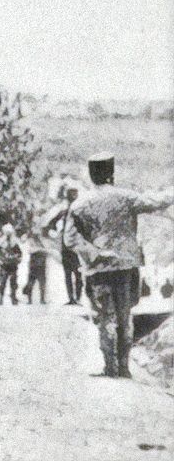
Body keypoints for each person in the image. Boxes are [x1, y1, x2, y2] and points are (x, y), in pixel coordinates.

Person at [64, 152, 174, 378]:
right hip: (126, 267)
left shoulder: (80, 204)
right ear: (111, 173)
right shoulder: (126, 197)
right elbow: (156, 202)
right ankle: (124, 367)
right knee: (125, 316)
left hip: (98, 269)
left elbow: (70, 239)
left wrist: (95, 253)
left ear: (92, 174)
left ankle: (109, 367)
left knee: (105, 317)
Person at [41, 180, 84, 305]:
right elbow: (50, 225)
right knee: (69, 273)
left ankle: (77, 298)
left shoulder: (79, 209)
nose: (73, 196)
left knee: (78, 273)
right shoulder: (64, 210)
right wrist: (54, 234)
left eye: (75, 193)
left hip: (76, 245)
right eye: (72, 193)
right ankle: (72, 298)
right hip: (66, 245)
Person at [0, 224, 24, 305]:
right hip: (4, 265)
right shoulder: (0, 242)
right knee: (2, 282)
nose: (8, 235)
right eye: (7, 233)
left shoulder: (15, 242)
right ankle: (1, 298)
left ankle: (13, 298)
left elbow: (20, 253)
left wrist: (17, 259)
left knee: (13, 283)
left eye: (9, 233)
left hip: (13, 265)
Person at [21, 228, 48, 305]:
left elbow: (47, 250)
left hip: (40, 264)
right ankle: (30, 300)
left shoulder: (43, 241)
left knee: (41, 283)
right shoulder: (30, 241)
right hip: (34, 264)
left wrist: (39, 249)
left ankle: (41, 299)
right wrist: (41, 249)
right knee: (32, 283)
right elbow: (30, 250)